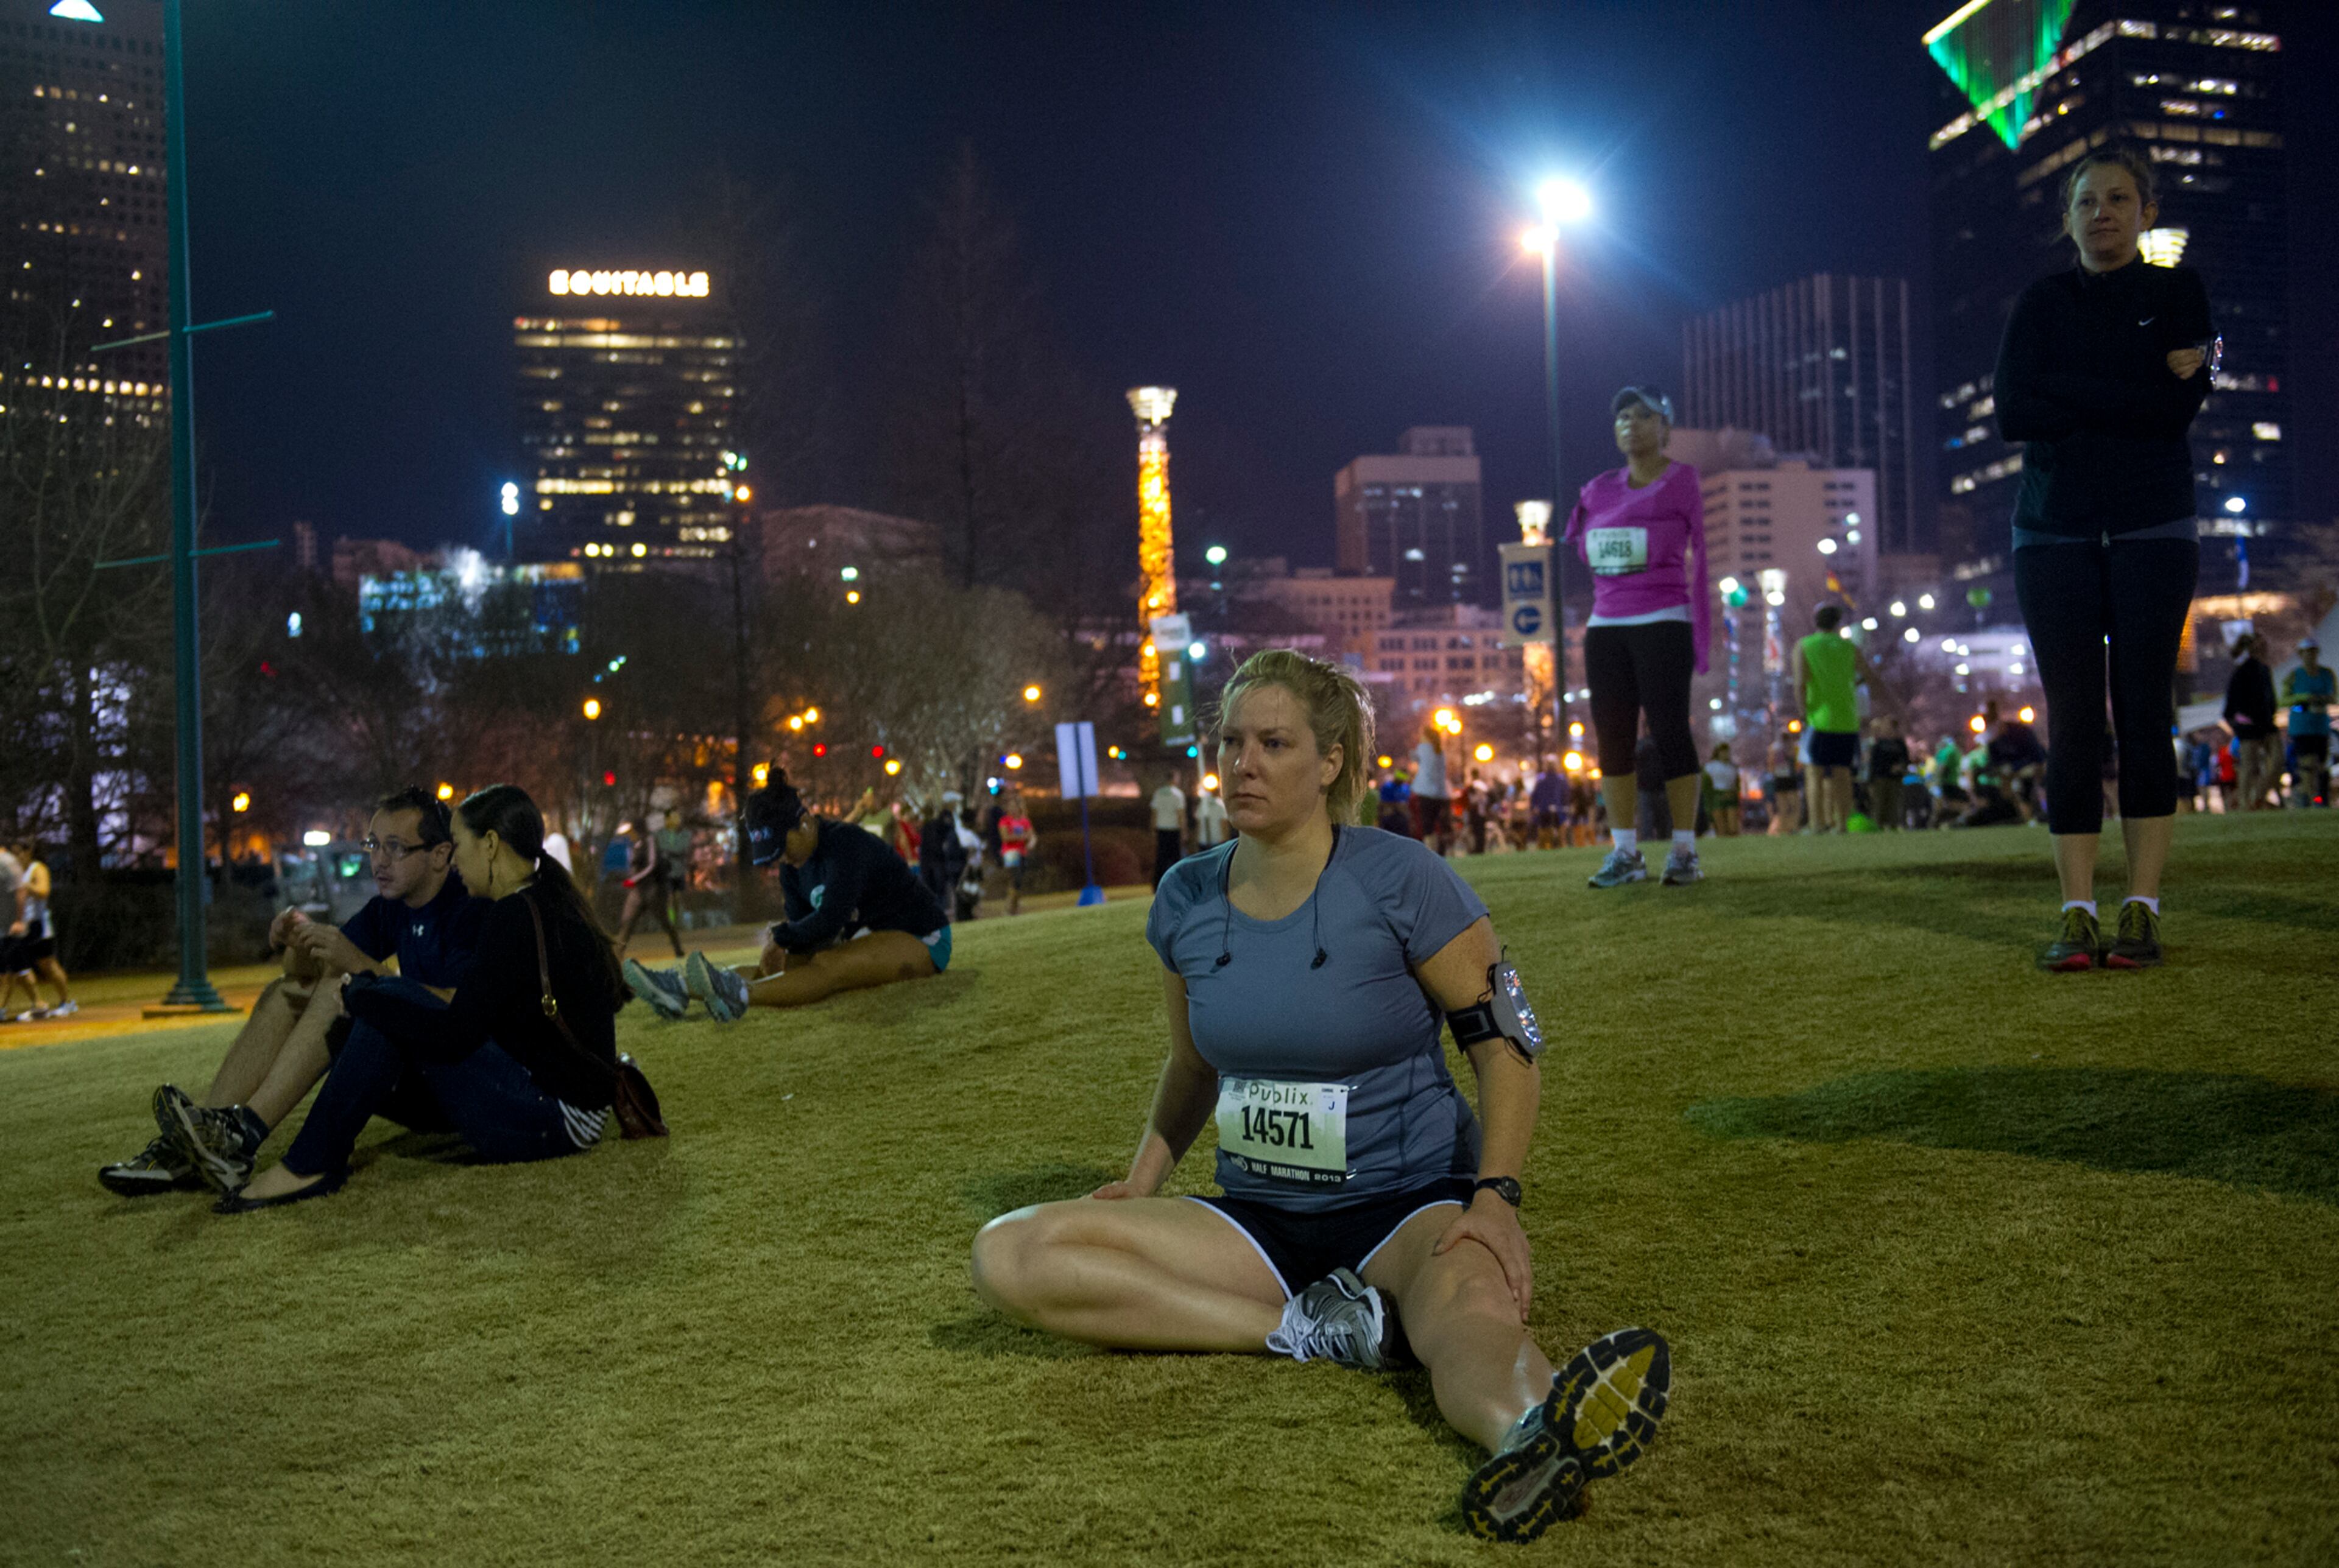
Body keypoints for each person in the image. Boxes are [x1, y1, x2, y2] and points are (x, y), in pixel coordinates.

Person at [967, 649, 1669, 1542]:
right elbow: (1191, 1063)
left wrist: (1495, 1198)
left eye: (1272, 742)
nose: (1242, 763)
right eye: (1230, 742)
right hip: (1257, 1217)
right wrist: (1142, 1180)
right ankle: (1313, 1330)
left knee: (1467, 1315)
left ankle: (1530, 1436)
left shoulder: (1401, 876)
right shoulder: (1185, 896)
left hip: (1409, 1205)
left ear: (1331, 760)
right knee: (1011, 1252)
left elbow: (1506, 1044)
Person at [170, 784, 627, 1213]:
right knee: (380, 1002)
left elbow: (457, 1032)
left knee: (384, 1004)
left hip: (561, 1119)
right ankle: (270, 1148)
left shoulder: (511, 914)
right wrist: (367, 994)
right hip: (538, 1096)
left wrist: (367, 995)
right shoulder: (531, 901)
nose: (456, 862)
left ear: (489, 845)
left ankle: (303, 1162)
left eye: (459, 847)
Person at [1996, 145, 2212, 971]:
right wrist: (2129, 386)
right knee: (2076, 720)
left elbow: (2178, 408)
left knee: (2146, 712)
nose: (2104, 214)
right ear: (2068, 218)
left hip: (2155, 525)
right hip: (2052, 530)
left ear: (2146, 210)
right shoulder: (2041, 299)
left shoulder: (2176, 291)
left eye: (2120, 199)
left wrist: (2075, 394)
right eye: (2087, 202)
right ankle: (2077, 909)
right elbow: (2014, 412)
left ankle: (2143, 906)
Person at [115, 787, 488, 1198]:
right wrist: (295, 940)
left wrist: (358, 964)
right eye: (374, 844)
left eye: (395, 847)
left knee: (340, 988)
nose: (378, 860)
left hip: (463, 1085)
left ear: (439, 855)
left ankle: (243, 1135)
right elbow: (304, 973)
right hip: (412, 1063)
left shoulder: (468, 906)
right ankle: (204, 1134)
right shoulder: (393, 904)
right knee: (285, 991)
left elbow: (463, 1009)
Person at [624, 773, 952, 1022]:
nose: (780, 860)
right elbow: (801, 929)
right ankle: (679, 988)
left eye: (782, 849)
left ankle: (739, 996)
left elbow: (829, 920)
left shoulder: (846, 845)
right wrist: (783, 946)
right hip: (863, 935)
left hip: (920, 936)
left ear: (806, 823)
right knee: (786, 966)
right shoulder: (793, 863)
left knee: (828, 966)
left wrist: (781, 936)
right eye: (772, 854)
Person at [1565, 385, 1710, 888]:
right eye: (1623, 415)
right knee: (1613, 739)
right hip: (1606, 625)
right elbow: (1581, 547)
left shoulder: (1683, 480)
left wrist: (1704, 627)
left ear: (1664, 428)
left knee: (1670, 730)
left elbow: (1700, 550)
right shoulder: (1597, 488)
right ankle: (1625, 852)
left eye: (1644, 415)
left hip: (1665, 617)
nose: (1630, 423)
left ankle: (1685, 850)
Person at [1794, 606, 1865, 834]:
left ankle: (1817, 824)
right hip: (1846, 718)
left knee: (1814, 772)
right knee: (1842, 773)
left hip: (1819, 719)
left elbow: (1800, 682)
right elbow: (1868, 674)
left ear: (1815, 621)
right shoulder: (1849, 647)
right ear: (1838, 622)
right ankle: (1842, 824)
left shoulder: (1805, 645)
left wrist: (1803, 711)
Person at [1, 841, 74, 1019]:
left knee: (47, 965)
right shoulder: (14, 871)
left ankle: (66, 1002)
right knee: (14, 965)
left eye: (19, 853)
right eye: (14, 853)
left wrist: (23, 886)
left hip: (38, 925)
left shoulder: (37, 868)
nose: (17, 857)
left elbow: (43, 891)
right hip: (21, 927)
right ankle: (32, 1005)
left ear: (28, 852)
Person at [613, 815, 685, 960]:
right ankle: (617, 955)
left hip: (653, 890)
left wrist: (634, 879)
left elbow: (652, 865)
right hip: (637, 892)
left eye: (631, 831)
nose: (629, 835)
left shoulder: (649, 840)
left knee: (665, 921)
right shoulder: (635, 844)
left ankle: (678, 950)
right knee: (627, 922)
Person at [2223, 633, 2279, 811]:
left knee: (2277, 760)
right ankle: (2245, 803)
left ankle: (2257, 797)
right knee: (2249, 766)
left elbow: (2270, 699)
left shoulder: (2264, 669)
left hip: (2266, 724)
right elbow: (2231, 707)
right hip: (2249, 727)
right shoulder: (2243, 672)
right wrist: (2241, 725)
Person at [2282, 636, 2333, 806]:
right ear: (2301, 654)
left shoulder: (2327, 675)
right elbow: (2283, 700)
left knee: (2321, 766)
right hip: (2301, 728)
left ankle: (2319, 799)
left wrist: (2321, 699)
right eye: (2307, 653)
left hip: (2320, 727)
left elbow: (2333, 696)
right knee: (2306, 765)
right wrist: (2304, 698)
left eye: (2313, 652)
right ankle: (2309, 798)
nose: (2310, 656)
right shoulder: (2294, 676)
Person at [919, 791, 972, 916]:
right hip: (937, 859)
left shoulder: (947, 819)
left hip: (935, 859)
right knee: (938, 887)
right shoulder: (945, 819)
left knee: (938, 887)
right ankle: (938, 913)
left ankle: (937, 912)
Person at [1409, 723, 1452, 854]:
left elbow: (1414, 759)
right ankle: (1438, 850)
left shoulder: (1423, 748)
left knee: (1427, 824)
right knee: (1436, 822)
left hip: (1426, 792)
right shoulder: (1440, 751)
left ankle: (1430, 851)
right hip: (1440, 793)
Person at [1864, 719, 1910, 831]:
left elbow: (1906, 760)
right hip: (1880, 778)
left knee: (1894, 804)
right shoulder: (1879, 745)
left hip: (1895, 779)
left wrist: (1901, 767)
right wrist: (1871, 781)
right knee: (1879, 804)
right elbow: (1874, 764)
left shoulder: (1900, 744)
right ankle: (1877, 826)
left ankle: (1893, 825)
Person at [997, 793, 1035, 916]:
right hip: (1010, 853)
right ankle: (1010, 908)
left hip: (1022, 853)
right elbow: (1005, 838)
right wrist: (1021, 837)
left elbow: (1031, 835)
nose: (1013, 809)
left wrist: (1028, 841)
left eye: (1015, 806)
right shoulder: (1005, 821)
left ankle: (1013, 907)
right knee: (1016, 878)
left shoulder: (1024, 821)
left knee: (1018, 882)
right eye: (1011, 807)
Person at [1151, 773, 1189, 888]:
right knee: (1176, 859)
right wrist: (1184, 832)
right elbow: (1180, 815)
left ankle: (1157, 884)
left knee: (1161, 859)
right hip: (1174, 830)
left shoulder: (1158, 793)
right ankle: (1178, 884)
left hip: (1161, 830)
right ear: (1174, 779)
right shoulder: (1178, 794)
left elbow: (1154, 813)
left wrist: (1153, 830)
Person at [1766, 739, 1804, 835]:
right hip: (1788, 779)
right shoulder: (1792, 747)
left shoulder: (1774, 748)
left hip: (1782, 779)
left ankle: (1786, 827)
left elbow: (1770, 765)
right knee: (1792, 805)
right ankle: (1790, 827)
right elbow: (1799, 764)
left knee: (1785, 806)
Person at [1702, 743, 1741, 837]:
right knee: (1721, 827)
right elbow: (1706, 787)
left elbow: (1737, 784)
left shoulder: (1732, 767)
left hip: (1730, 796)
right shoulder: (1710, 767)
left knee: (1733, 827)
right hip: (1717, 796)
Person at [1529, 758, 1567, 848]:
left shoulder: (1541, 780)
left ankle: (1545, 847)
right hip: (1557, 810)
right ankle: (1558, 846)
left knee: (1544, 832)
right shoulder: (1560, 780)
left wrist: (1534, 807)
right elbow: (1565, 795)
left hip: (1544, 809)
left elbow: (1535, 795)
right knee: (1559, 832)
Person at [1195, 781, 1232, 849]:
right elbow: (1224, 824)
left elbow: (1199, 823)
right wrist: (1227, 840)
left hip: (1203, 840)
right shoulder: (1221, 805)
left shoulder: (1203, 804)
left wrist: (1197, 838)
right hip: (1218, 840)